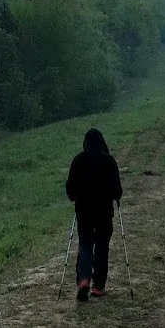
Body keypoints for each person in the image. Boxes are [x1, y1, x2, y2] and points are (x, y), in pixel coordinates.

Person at [65, 128, 123, 301]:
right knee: (102, 246)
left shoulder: (78, 160)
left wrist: (76, 196)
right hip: (104, 212)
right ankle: (98, 286)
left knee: (85, 245)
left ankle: (83, 279)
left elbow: (70, 191)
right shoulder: (109, 161)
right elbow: (117, 191)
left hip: (84, 212)